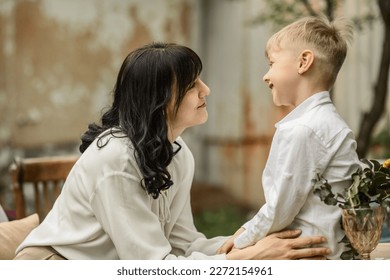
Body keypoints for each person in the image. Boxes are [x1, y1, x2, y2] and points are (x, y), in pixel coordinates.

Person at [14, 42, 329, 260]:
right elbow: (153, 266)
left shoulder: (177, 152)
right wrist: (246, 260)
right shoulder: (115, 160)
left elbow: (183, 244)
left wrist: (247, 241)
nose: (206, 90)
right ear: (160, 99)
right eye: (193, 85)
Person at [218, 16, 361, 259]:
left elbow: (280, 210)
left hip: (309, 257)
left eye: (271, 63)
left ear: (304, 62)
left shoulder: (304, 129)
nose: (265, 76)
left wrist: (239, 243)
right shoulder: (325, 122)